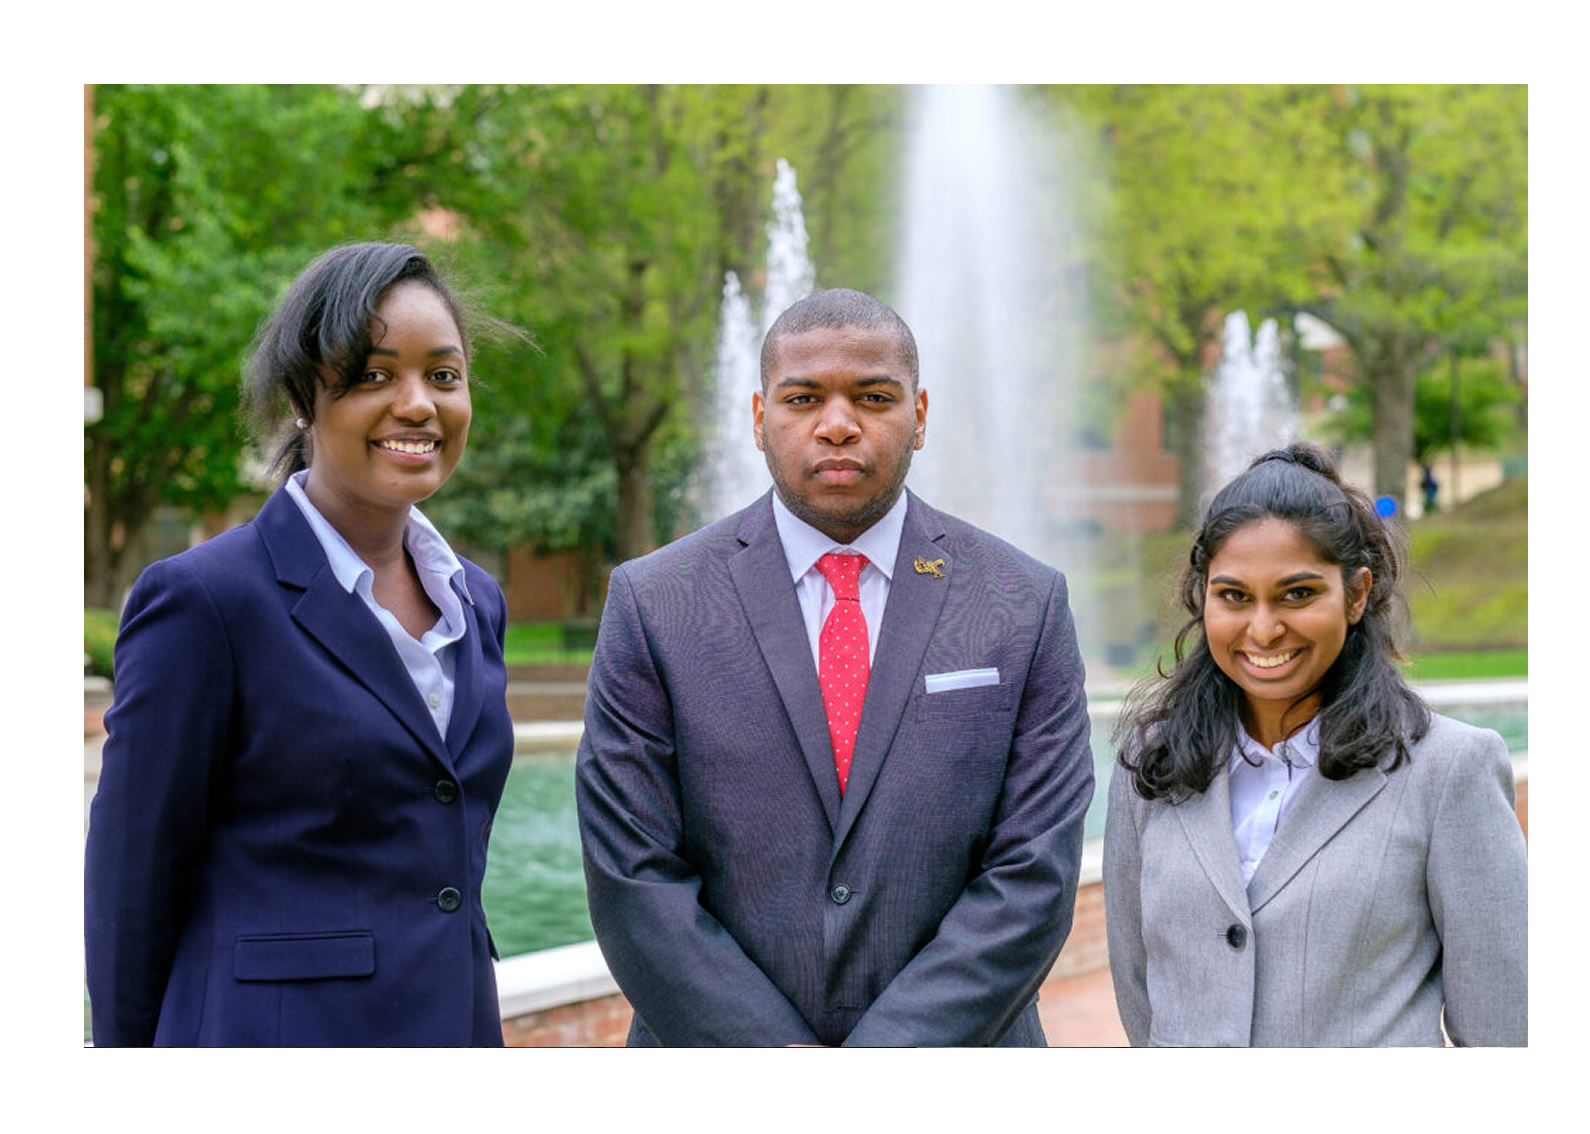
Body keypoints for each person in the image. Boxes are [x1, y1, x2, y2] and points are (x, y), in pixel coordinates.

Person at [575, 287, 1094, 1046]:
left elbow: (1033, 876)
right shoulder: (654, 602)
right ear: (760, 419)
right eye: (803, 397)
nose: (839, 423)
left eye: (874, 397)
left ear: (919, 417)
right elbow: (634, 877)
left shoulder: (1024, 602)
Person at [84, 242, 517, 1046]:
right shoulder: (206, 601)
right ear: (301, 398)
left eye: (444, 375)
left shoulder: (475, 601)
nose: (418, 403)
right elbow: (130, 885)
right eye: (373, 374)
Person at [1103, 442, 1526, 1046]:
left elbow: (1506, 1032)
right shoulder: (1151, 763)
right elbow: (1141, 993)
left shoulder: (1450, 770)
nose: (1264, 627)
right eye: (1234, 596)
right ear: (1203, 597)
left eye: (1298, 594)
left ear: (1356, 595)